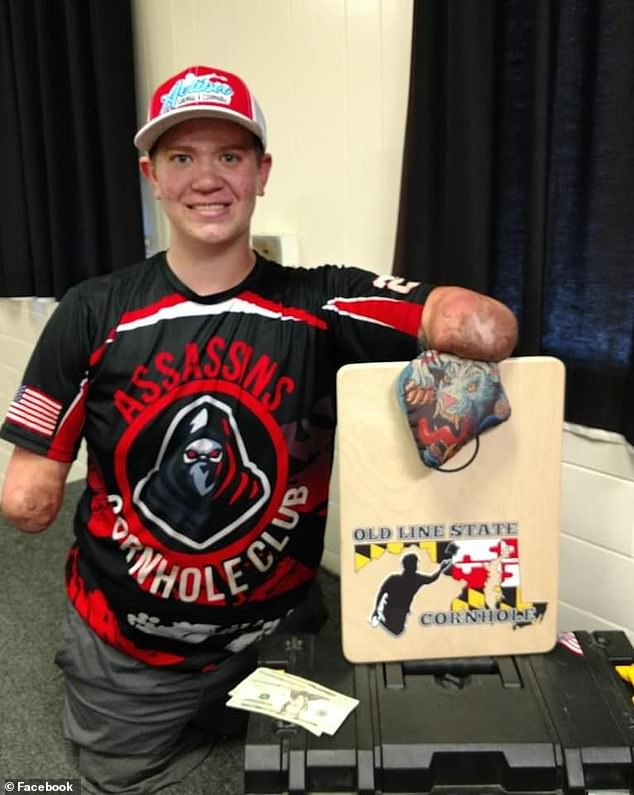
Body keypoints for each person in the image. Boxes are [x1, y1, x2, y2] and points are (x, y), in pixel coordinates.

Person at [0, 64, 518, 793]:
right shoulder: (93, 310)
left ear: (262, 172)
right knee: (117, 778)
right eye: (182, 157)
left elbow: (483, 324)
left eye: (230, 156)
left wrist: (453, 376)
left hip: (280, 632)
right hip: (134, 645)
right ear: (151, 175)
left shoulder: (321, 301)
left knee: (308, 768)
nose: (207, 179)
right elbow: (26, 503)